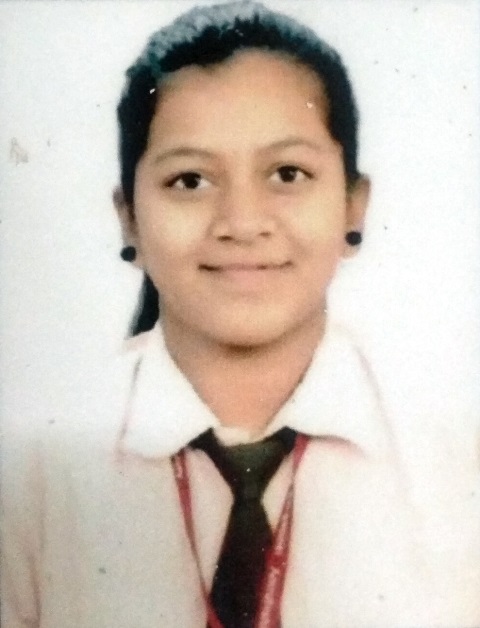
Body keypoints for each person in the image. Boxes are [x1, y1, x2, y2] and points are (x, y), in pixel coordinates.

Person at [1, 2, 479, 627]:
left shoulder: (457, 457)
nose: (243, 223)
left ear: (353, 207)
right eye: (190, 181)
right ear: (129, 218)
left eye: (287, 173)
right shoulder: (30, 472)